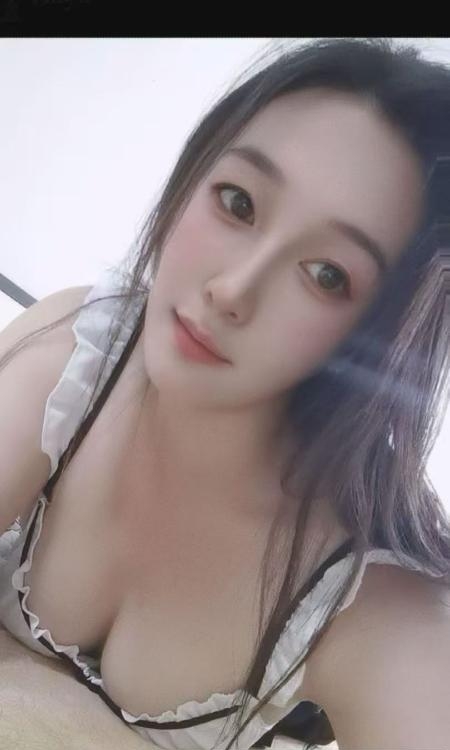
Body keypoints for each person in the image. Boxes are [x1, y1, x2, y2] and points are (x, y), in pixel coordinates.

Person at [0, 37, 449, 750]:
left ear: (377, 333)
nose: (233, 290)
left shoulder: (366, 596)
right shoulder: (78, 356)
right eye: (237, 203)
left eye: (327, 274)